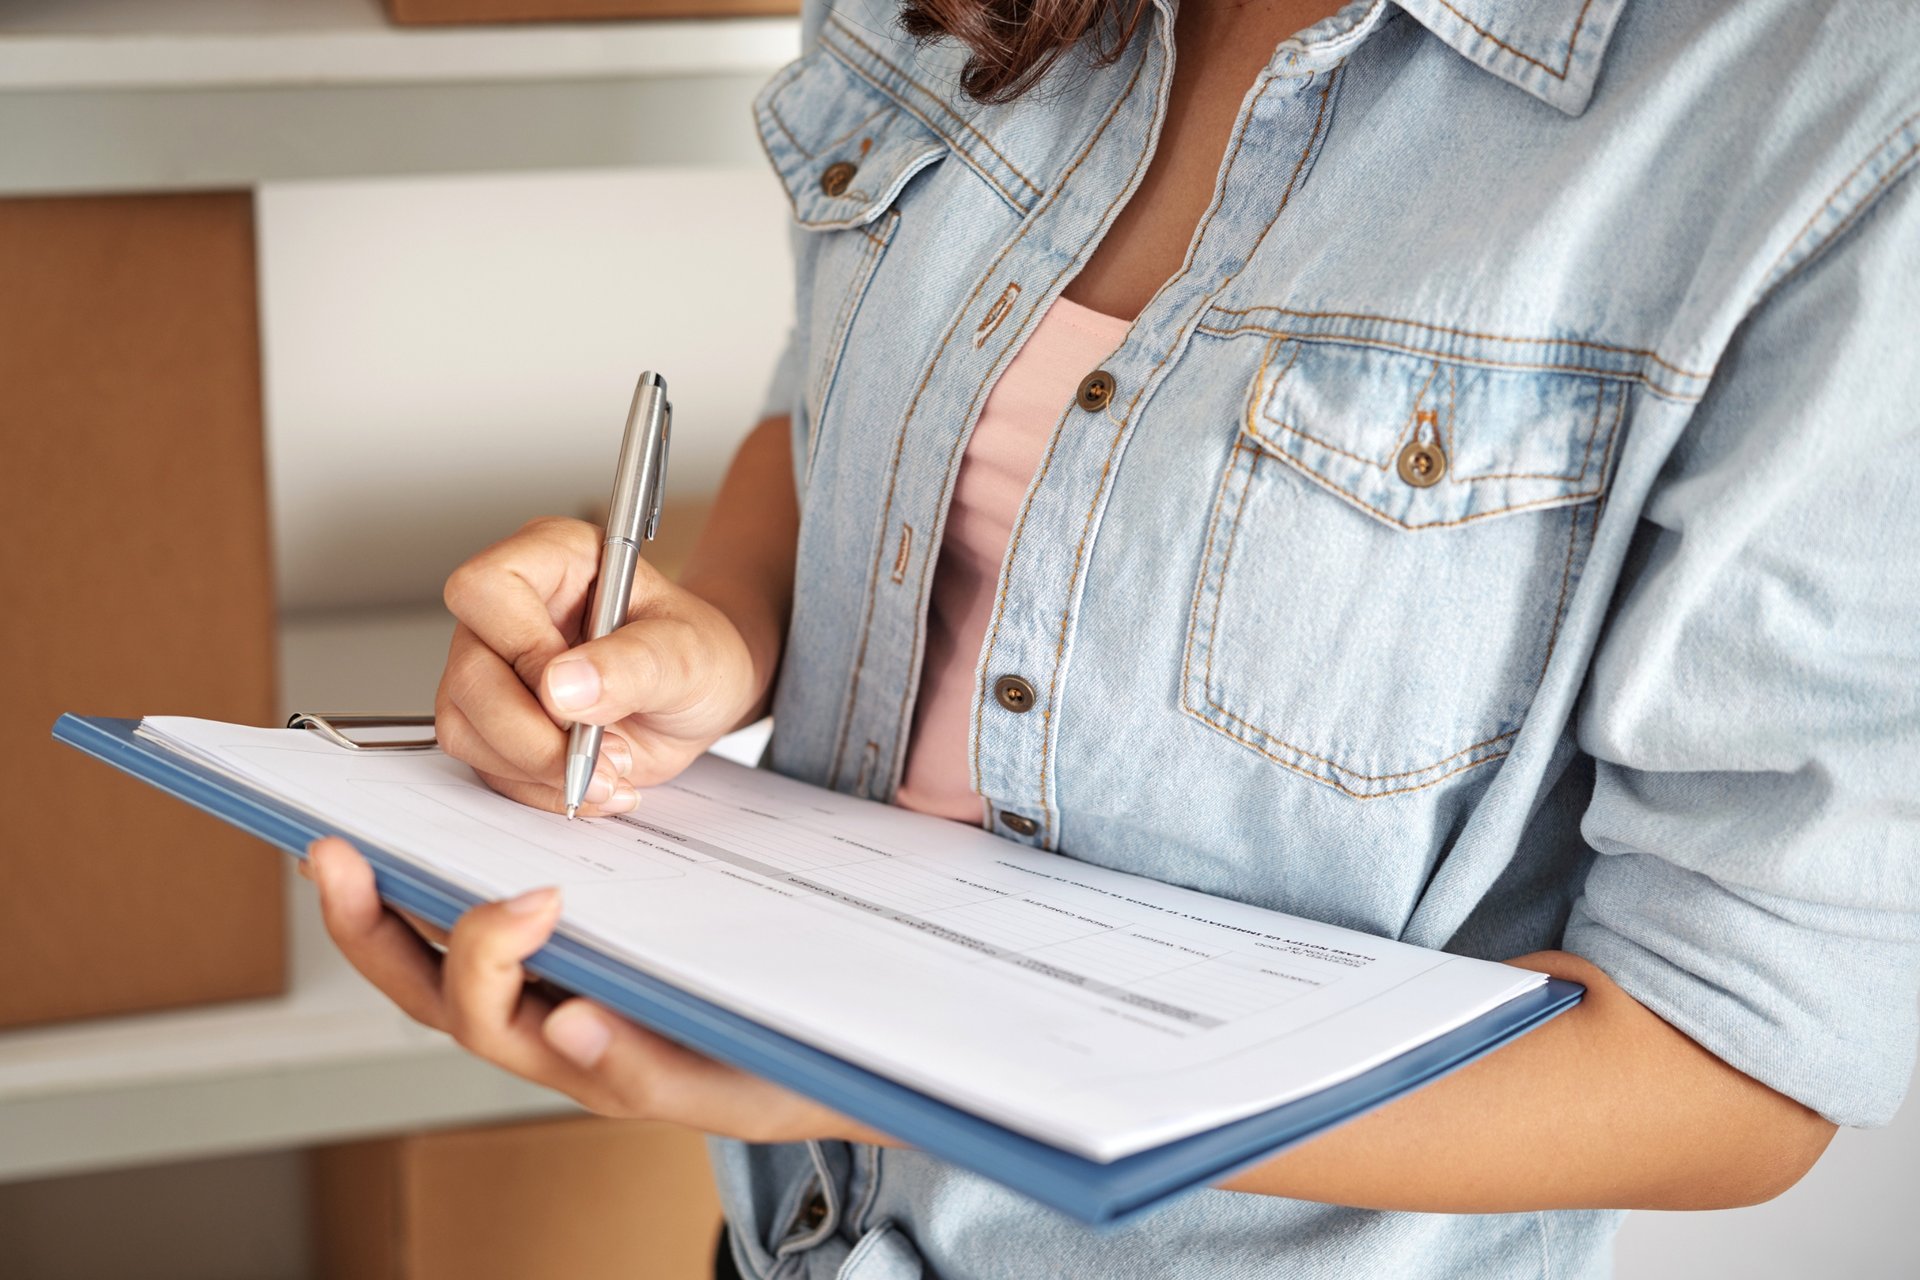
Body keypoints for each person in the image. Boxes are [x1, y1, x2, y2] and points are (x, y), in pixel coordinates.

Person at [300, 0, 1920, 1275]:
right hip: (795, 1239)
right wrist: (710, 632)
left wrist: (921, 1074)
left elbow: (1734, 1066)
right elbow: (832, 415)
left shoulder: (1831, 107)